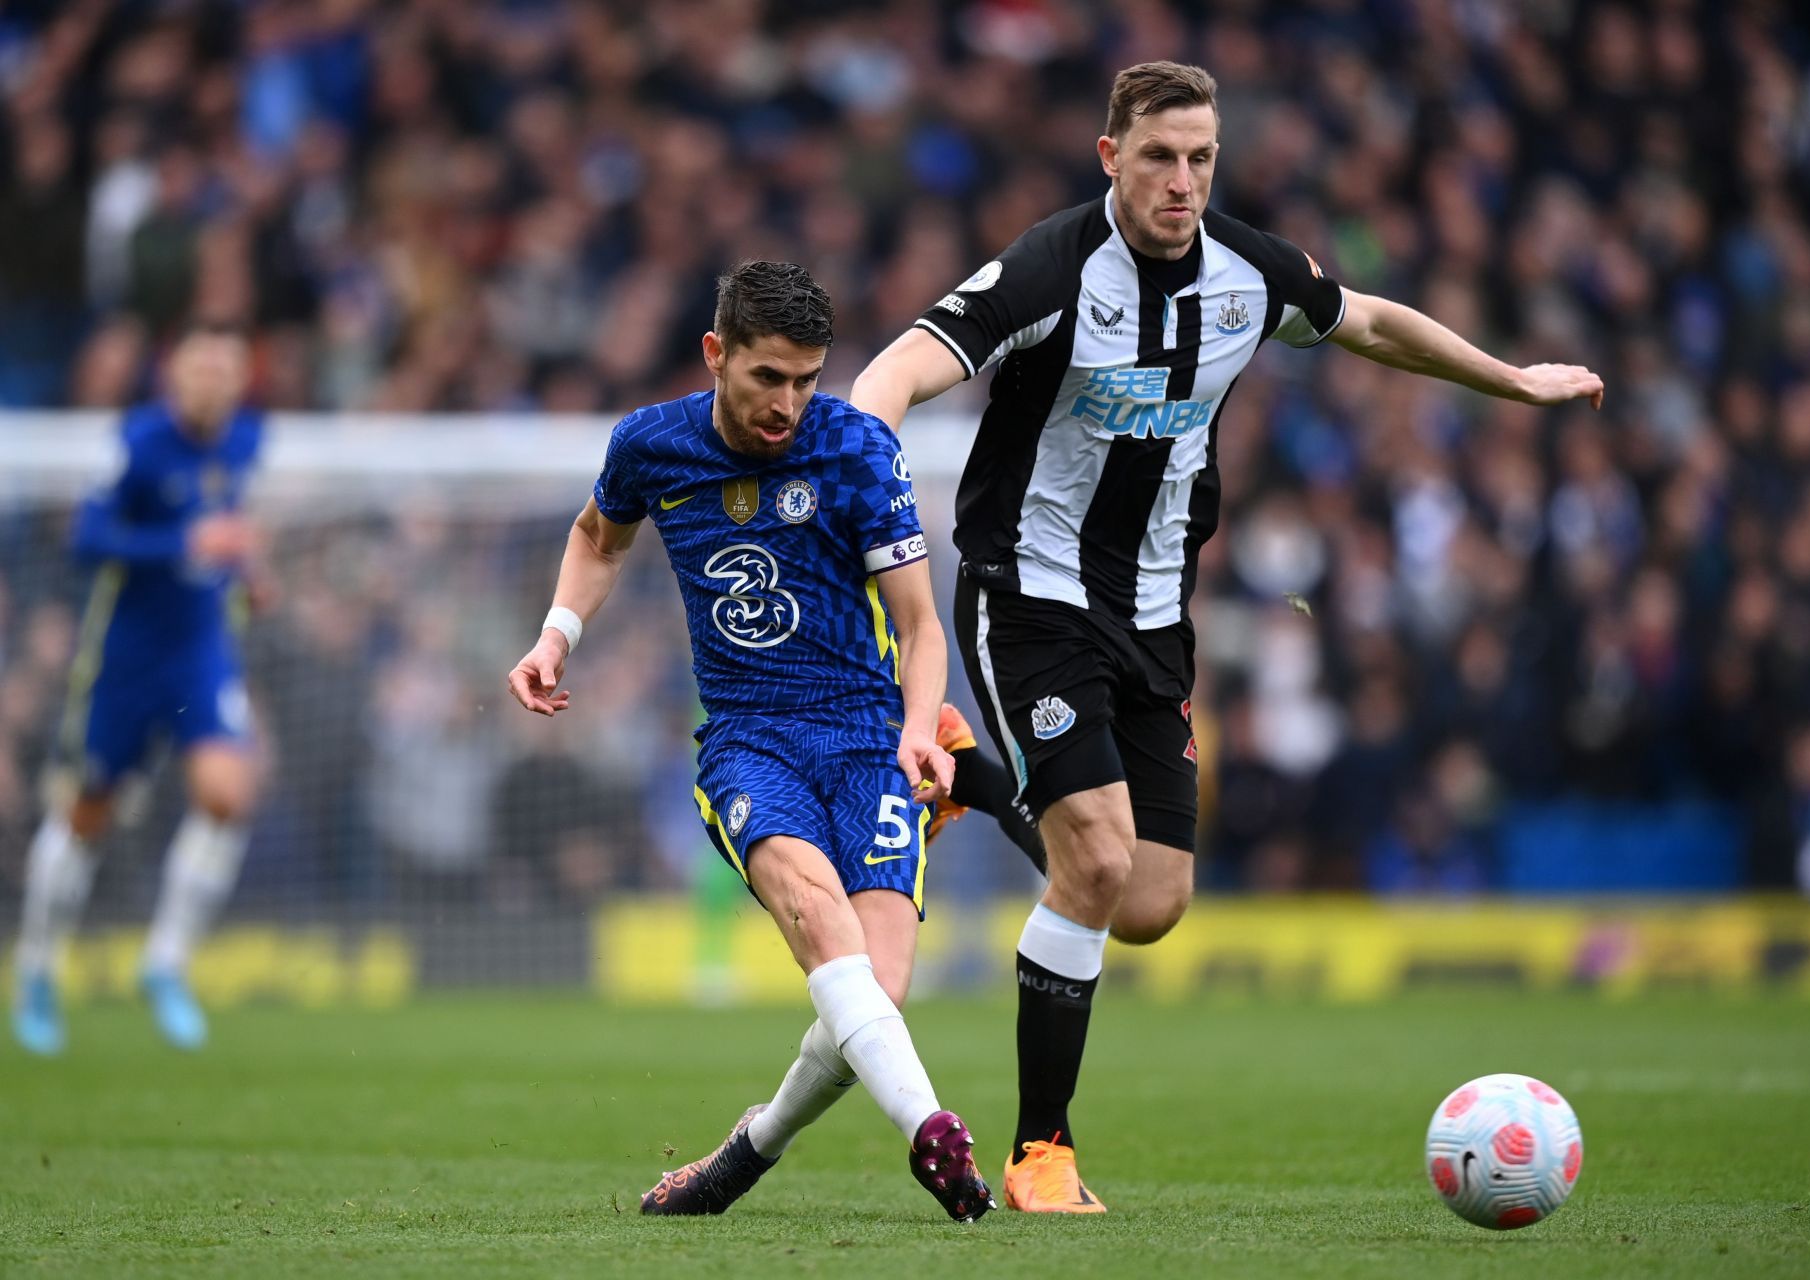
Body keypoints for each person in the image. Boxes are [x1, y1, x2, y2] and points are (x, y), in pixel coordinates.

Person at [850, 60, 1606, 1213]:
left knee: (1147, 902)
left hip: (1156, 611)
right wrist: (869, 466)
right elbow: (897, 368)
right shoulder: (1052, 267)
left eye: (1202, 158)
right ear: (1112, 156)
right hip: (1030, 594)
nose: (1183, 181)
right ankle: (1040, 1152)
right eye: (1159, 155)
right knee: (1095, 861)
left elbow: (1373, 321)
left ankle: (963, 775)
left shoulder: (1248, 272)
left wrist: (1510, 380)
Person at [506, 260, 993, 1222]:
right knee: (824, 930)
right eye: (769, 377)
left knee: (873, 999)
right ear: (716, 354)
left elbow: (921, 624)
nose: (790, 403)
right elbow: (599, 539)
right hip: (748, 741)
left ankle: (747, 1150)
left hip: (868, 741)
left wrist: (917, 732)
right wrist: (556, 635)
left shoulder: (857, 449)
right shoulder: (651, 445)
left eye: (808, 379)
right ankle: (934, 1133)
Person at [13, 322, 268, 1055]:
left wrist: (251, 573)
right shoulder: (137, 442)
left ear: (239, 378)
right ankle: (36, 970)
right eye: (198, 367)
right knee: (87, 814)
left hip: (201, 650)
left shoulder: (247, 441)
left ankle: (165, 963)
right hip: (126, 658)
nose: (211, 381)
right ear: (173, 375)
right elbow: (87, 541)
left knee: (226, 795)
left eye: (225, 368)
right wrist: (182, 544)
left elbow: (230, 533)